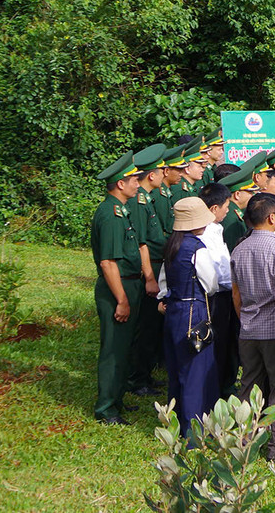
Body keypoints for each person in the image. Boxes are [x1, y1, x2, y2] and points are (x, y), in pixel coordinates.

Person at [229, 190, 275, 460]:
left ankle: (245, 443)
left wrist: (245, 318)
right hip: (274, 331)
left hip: (247, 329)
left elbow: (236, 294)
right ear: (272, 218)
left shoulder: (239, 248)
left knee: (249, 386)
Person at [92, 152, 151, 425]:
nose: (138, 184)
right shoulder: (111, 215)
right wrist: (122, 300)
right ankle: (106, 409)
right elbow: (108, 263)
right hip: (118, 288)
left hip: (130, 285)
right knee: (114, 351)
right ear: (119, 184)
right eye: (133, 180)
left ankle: (116, 401)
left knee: (125, 347)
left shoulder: (123, 210)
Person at [161, 196, 222, 437]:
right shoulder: (197, 249)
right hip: (194, 311)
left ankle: (173, 421)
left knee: (176, 369)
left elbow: (164, 282)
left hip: (174, 310)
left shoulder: (171, 246)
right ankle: (193, 428)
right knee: (195, 371)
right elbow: (211, 283)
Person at [128, 143, 169, 397]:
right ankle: (136, 378)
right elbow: (142, 243)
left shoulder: (148, 199)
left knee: (151, 327)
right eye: (162, 170)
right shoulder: (139, 202)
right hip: (149, 271)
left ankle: (145, 375)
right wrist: (150, 278)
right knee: (143, 328)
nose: (165, 174)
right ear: (151, 175)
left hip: (156, 266)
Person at [200, 182, 239, 399]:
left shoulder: (216, 229)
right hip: (216, 295)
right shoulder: (206, 232)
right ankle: (213, 391)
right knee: (217, 344)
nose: (228, 210)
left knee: (225, 343)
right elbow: (216, 270)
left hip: (224, 293)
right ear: (214, 208)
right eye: (225, 206)